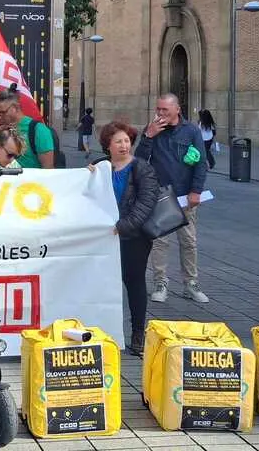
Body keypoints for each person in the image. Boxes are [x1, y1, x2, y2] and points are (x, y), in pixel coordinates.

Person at [137, 93, 210, 304]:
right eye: (158, 109)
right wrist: (148, 136)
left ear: (177, 109)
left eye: (164, 110)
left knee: (189, 241)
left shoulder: (191, 131)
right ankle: (160, 283)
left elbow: (201, 162)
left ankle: (191, 283)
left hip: (186, 197)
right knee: (160, 242)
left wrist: (196, 191)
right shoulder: (152, 130)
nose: (160, 114)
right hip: (160, 195)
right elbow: (141, 160)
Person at [101, 121, 158, 356]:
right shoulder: (100, 167)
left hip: (133, 237)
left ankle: (137, 334)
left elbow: (146, 203)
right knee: (105, 284)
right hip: (106, 238)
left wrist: (123, 226)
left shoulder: (142, 168)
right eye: (118, 141)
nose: (124, 145)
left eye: (127, 141)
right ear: (108, 145)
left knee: (134, 283)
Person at [0, 85, 55, 169]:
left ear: (15, 108)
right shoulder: (1, 129)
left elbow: (48, 169)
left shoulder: (39, 130)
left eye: (2, 113)